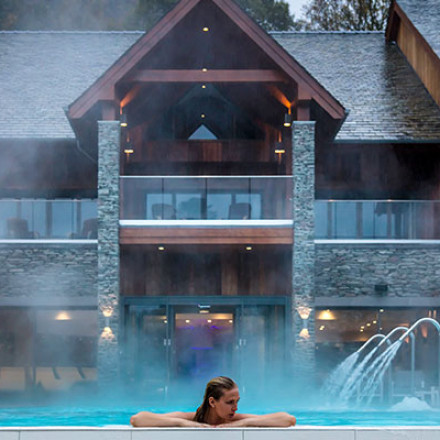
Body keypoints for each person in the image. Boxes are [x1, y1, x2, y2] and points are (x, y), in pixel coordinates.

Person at [130, 376, 296, 427]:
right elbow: (137, 419)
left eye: (237, 401)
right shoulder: (191, 418)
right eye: (230, 402)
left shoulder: (235, 419)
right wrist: (184, 424)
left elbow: (288, 419)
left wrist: (242, 424)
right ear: (212, 402)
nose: (235, 407)